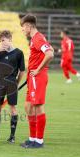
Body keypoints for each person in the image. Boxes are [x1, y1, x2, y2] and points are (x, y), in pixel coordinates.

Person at [20, 14, 54, 148]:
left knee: (38, 107)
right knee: (28, 107)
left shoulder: (38, 38)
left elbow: (50, 53)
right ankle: (32, 138)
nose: (22, 30)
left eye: (23, 27)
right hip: (33, 76)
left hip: (37, 76)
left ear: (28, 26)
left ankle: (39, 141)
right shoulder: (35, 38)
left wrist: (38, 69)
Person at [0, 30, 25, 143]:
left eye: (3, 40)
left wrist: (16, 83)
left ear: (10, 39)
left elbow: (22, 71)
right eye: (0, 41)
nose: (2, 42)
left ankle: (12, 137)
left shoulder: (19, 53)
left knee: (12, 108)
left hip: (11, 82)